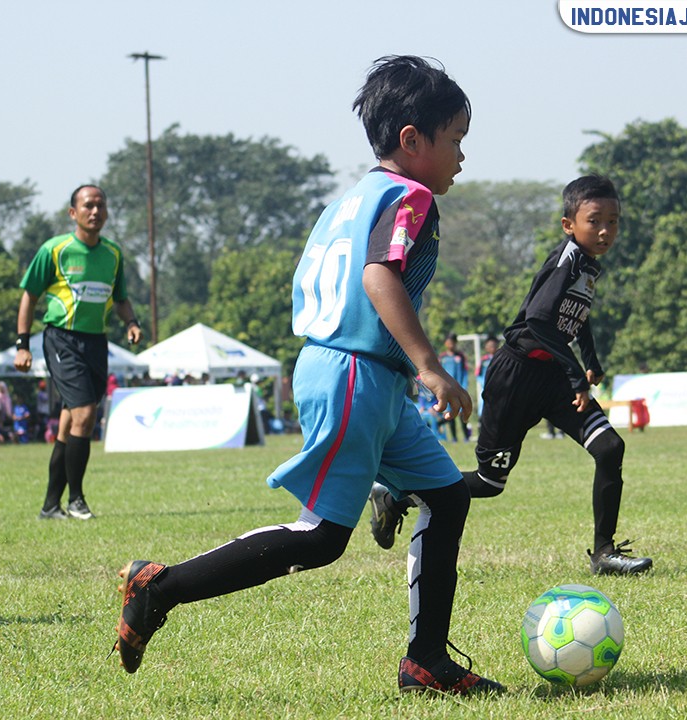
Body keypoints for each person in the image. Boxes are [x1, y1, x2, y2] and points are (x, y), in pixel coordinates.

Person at [110, 55, 502, 696]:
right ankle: (161, 586)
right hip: (356, 373)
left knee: (449, 495)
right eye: (456, 139)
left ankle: (426, 661)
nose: (462, 154)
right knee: (320, 537)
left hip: (359, 372)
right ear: (412, 139)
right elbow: (379, 277)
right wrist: (432, 368)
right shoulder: (413, 197)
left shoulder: (349, 200)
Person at [369, 175, 652, 578]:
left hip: (551, 375)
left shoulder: (588, 265)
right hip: (515, 376)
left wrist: (589, 360)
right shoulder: (567, 260)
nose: (606, 230)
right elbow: (537, 322)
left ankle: (604, 554)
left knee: (609, 448)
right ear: (569, 225)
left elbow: (576, 315)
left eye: (613, 220)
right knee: (489, 483)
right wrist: (575, 375)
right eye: (595, 220)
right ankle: (396, 495)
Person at [14, 184, 143, 521]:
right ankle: (77, 501)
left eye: (101, 205)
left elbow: (121, 297)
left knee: (69, 422)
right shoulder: (55, 250)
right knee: (85, 414)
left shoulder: (113, 254)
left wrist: (131, 321)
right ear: (73, 212)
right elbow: (29, 295)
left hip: (96, 342)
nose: (95, 211)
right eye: (88, 205)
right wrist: (23, 344)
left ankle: (49, 506)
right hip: (61, 339)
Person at [438, 332, 471, 441]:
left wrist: (464, 386)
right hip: (447, 391)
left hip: (459, 389)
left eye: (452, 343)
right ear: (445, 343)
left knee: (462, 413)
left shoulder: (460, 357)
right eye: (448, 343)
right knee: (450, 414)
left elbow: (465, 373)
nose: (450, 345)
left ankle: (466, 437)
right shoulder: (442, 358)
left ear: (455, 343)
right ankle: (454, 438)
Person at [475, 334, 498, 419]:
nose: (492, 347)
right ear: (486, 347)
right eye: (489, 345)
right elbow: (478, 375)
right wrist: (485, 384)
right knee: (483, 406)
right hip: (486, 388)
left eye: (493, 345)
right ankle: (480, 423)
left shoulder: (500, 358)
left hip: (499, 388)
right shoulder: (483, 360)